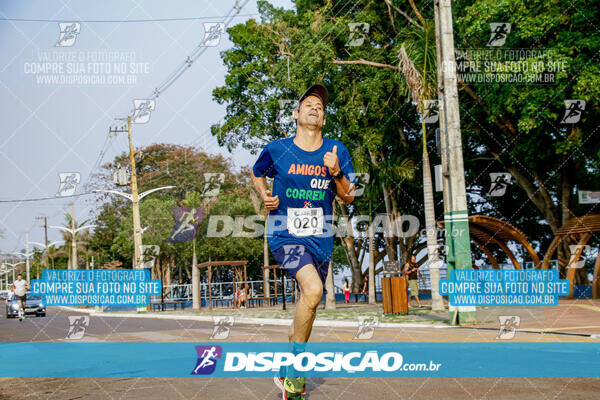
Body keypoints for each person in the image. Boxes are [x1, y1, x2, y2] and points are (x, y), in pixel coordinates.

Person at [252, 84, 355, 398]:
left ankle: (285, 366)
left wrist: (336, 174)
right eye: (309, 104)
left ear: (323, 120)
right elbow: (257, 172)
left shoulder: (336, 150)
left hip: (320, 239)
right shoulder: (277, 149)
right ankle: (296, 372)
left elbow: (348, 197)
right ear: (296, 114)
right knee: (313, 290)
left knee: (308, 305)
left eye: (320, 108)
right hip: (285, 235)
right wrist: (264, 195)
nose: (315, 108)